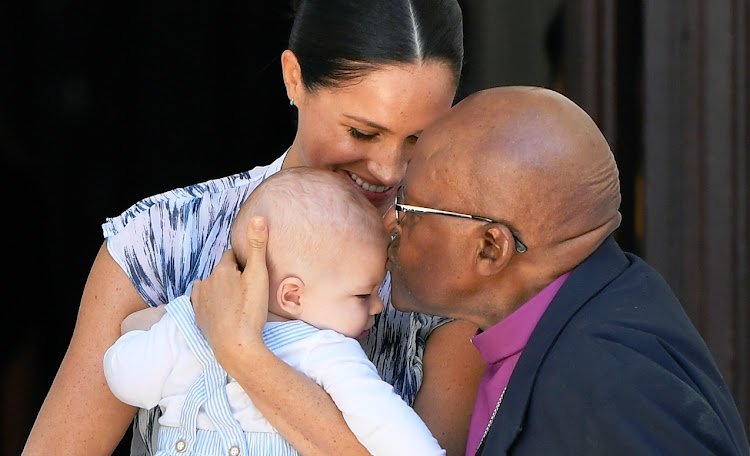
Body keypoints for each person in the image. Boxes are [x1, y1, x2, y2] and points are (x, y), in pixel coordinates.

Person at [23, 1, 485, 455]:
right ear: (294, 78)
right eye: (362, 133)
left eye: (419, 139)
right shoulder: (165, 237)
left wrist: (242, 352)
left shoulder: (450, 271)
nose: (388, 170)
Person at [195, 85, 750, 456]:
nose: (387, 222)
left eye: (408, 207)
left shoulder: (607, 384)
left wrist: (244, 357)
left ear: (490, 248)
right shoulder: (579, 314)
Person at [102, 167, 446, 456]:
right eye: (362, 294)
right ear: (292, 295)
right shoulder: (325, 351)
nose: (379, 305)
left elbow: (126, 380)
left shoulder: (191, 326)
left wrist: (163, 320)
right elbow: (402, 440)